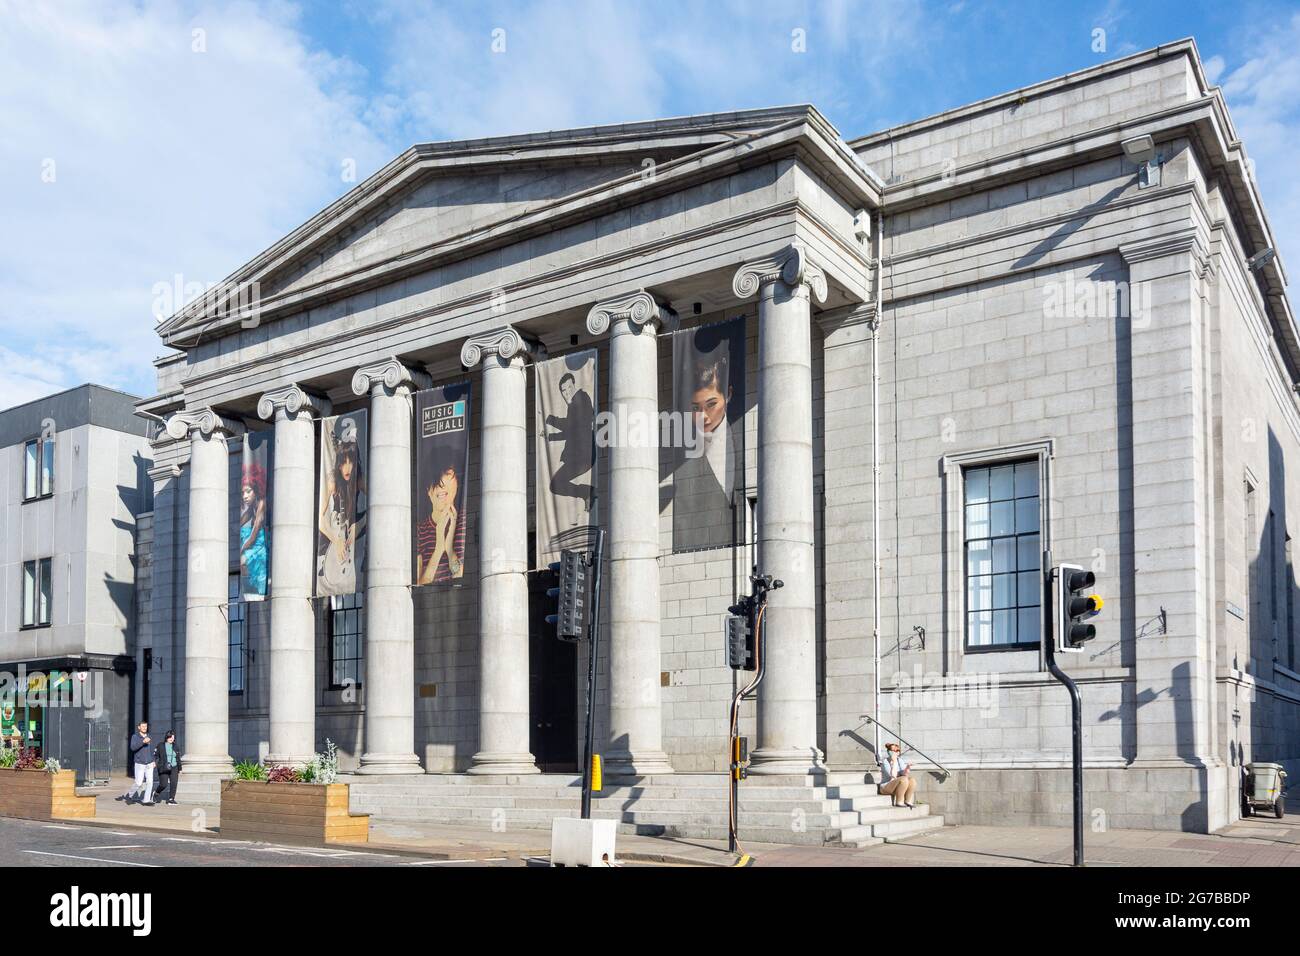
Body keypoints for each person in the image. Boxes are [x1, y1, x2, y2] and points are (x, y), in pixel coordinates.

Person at [318, 417, 366, 594]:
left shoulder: (359, 480)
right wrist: (336, 540)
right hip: (332, 534)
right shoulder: (332, 482)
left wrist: (356, 525)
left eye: (350, 462)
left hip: (351, 531)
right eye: (343, 462)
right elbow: (320, 521)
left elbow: (379, 503)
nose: (347, 468)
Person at [544, 372, 595, 503]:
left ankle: (588, 492)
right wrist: (550, 434)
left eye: (569, 388)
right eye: (563, 391)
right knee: (556, 484)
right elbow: (571, 430)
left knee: (556, 484)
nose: (567, 393)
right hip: (580, 456)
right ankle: (587, 493)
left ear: (574, 385)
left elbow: (570, 428)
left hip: (582, 455)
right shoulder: (574, 404)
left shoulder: (581, 398)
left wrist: (551, 421)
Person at [416, 466, 465, 583]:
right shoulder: (420, 531)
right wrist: (438, 549)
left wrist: (449, 548)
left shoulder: (463, 523)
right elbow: (422, 582)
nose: (442, 484)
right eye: (437, 480)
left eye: (448, 475)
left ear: (456, 485)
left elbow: (457, 574)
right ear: (428, 490)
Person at [239, 461, 269, 596]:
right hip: (253, 541)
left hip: (259, 542)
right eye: (243, 492)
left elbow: (256, 529)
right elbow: (242, 520)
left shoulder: (261, 504)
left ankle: (258, 586)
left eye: (248, 491)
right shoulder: (252, 505)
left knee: (244, 561)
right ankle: (255, 585)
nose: (245, 496)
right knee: (244, 564)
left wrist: (243, 547)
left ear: (256, 489)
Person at [119, 721, 155, 806]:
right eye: (143, 726)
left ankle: (146, 800)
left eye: (145, 726)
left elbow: (151, 750)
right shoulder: (135, 736)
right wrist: (143, 742)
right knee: (139, 782)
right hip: (140, 763)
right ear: (139, 727)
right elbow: (133, 747)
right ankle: (130, 796)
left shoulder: (149, 736)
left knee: (150, 782)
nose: (144, 728)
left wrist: (153, 760)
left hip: (149, 763)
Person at [879, 741, 916, 809]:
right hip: (886, 786)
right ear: (889, 752)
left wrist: (907, 767)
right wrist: (894, 761)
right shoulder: (885, 762)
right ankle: (899, 801)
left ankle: (907, 800)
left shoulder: (900, 760)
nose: (897, 752)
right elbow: (893, 775)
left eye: (898, 750)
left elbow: (904, 774)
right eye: (894, 751)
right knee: (903, 779)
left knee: (912, 780)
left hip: (897, 785)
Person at [153, 730, 181, 805]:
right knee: (163, 784)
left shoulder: (176, 746)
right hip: (163, 766)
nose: (171, 739)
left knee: (174, 783)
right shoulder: (161, 745)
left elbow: (178, 757)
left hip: (174, 767)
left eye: (173, 737)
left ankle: (171, 799)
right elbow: (155, 755)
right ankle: (156, 793)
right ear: (167, 737)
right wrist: (154, 762)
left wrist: (179, 768)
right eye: (170, 737)